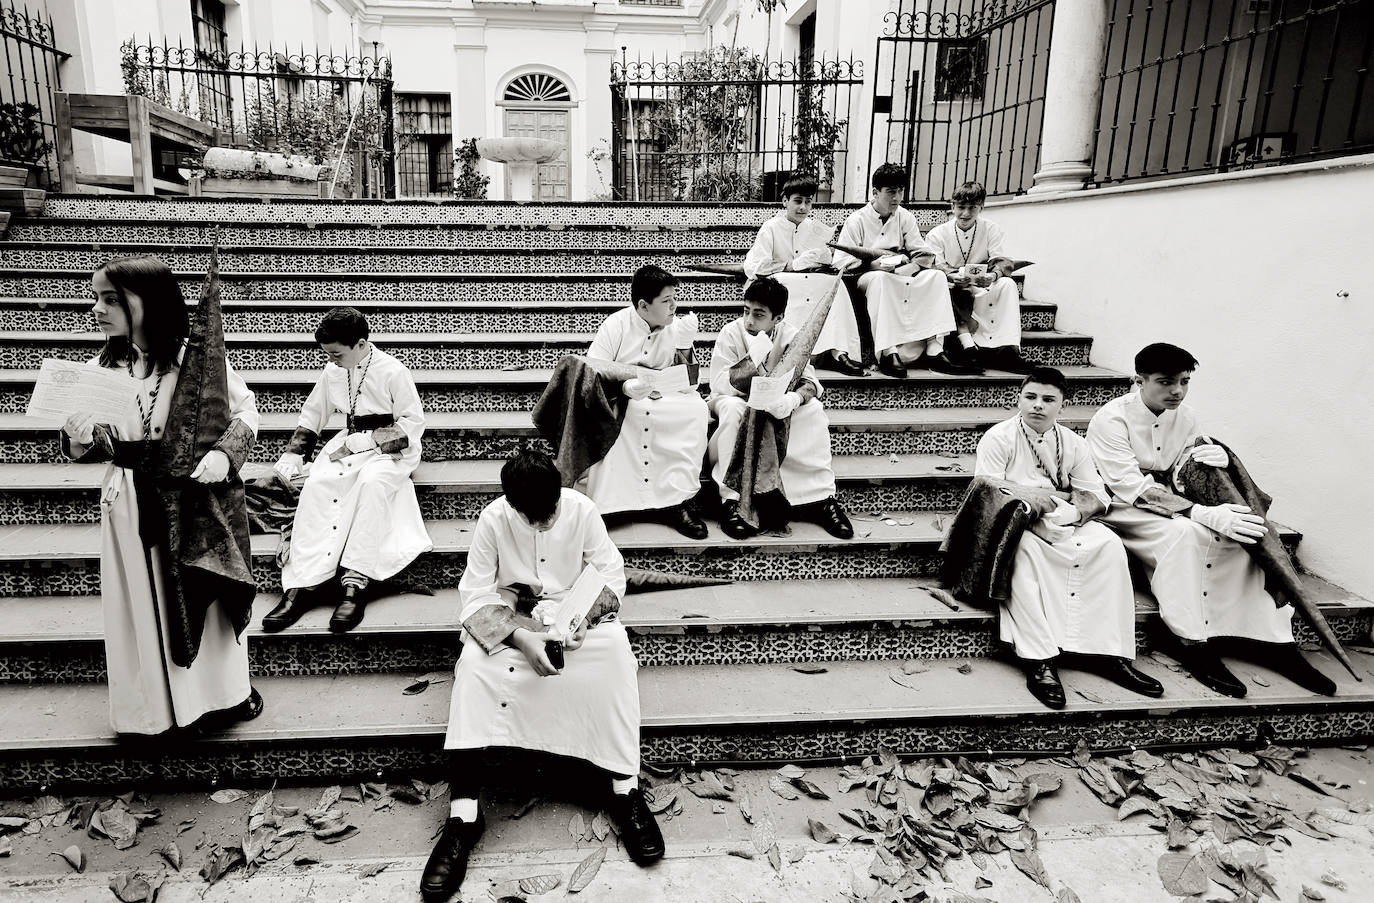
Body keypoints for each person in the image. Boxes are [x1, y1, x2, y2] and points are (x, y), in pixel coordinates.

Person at [422, 451, 663, 902]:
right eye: (531, 517)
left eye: (549, 512)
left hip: (577, 621)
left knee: (615, 659)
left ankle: (624, 789)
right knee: (473, 668)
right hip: (514, 625)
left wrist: (584, 618)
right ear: (512, 505)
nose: (542, 524)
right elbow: (474, 595)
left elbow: (611, 573)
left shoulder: (582, 510)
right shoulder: (493, 519)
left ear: (560, 493)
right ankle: (465, 814)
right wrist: (519, 636)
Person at [61, 255, 261, 735]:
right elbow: (87, 449)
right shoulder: (101, 368)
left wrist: (222, 457)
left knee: (204, 599)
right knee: (142, 604)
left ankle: (221, 696)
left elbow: (245, 411)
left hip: (191, 501)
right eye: (95, 298)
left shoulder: (196, 361)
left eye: (111, 299)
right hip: (131, 501)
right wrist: (78, 438)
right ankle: (153, 710)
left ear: (148, 301)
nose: (97, 309)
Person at [1087, 343, 1335, 697]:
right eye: (1166, 382)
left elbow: (1183, 468)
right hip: (1123, 507)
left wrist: (1217, 458)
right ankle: (1189, 638)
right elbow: (1128, 485)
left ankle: (1270, 639)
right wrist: (1201, 512)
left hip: (1177, 501)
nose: (1177, 391)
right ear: (1138, 380)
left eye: (1185, 381)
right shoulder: (1110, 419)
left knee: (1241, 533)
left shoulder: (1186, 415)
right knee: (1187, 534)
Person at [975, 367, 1163, 708]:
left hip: (1064, 518)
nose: (1037, 406)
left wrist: (1074, 513)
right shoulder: (999, 437)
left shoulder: (1073, 443)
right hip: (1012, 523)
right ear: (1020, 397)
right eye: (1030, 397)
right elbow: (989, 492)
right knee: (1027, 553)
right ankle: (1039, 659)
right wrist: (1040, 506)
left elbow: (1095, 492)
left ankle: (1108, 653)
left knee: (1108, 546)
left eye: (1048, 400)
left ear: (1062, 405)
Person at [264, 307, 432, 633]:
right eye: (327, 354)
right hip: (349, 443)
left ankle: (354, 584)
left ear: (360, 343)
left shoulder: (393, 371)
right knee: (317, 485)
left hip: (391, 449)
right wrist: (295, 454)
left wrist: (372, 441)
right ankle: (302, 584)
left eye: (337, 353)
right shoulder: (333, 371)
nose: (331, 359)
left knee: (370, 483)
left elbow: (413, 423)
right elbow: (314, 413)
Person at [707, 276, 854, 540]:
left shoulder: (791, 335)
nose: (749, 320)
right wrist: (752, 362)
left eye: (759, 314)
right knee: (734, 411)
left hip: (777, 401)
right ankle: (732, 501)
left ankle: (819, 497)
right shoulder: (731, 333)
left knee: (813, 411)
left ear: (778, 317)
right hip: (735, 397)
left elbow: (810, 381)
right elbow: (718, 383)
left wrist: (792, 400)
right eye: (746, 311)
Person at [583, 264, 710, 539]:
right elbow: (591, 372)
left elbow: (690, 383)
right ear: (643, 305)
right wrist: (625, 386)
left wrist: (686, 345)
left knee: (697, 410)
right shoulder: (615, 325)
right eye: (666, 301)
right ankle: (610, 505)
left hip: (666, 398)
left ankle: (677, 501)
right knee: (629, 415)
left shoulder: (676, 327)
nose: (674, 306)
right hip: (624, 398)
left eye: (674, 298)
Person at [831, 163, 980, 379]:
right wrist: (873, 265)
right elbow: (841, 262)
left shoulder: (904, 216)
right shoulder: (857, 220)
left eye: (900, 191)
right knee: (882, 280)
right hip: (868, 275)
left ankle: (934, 348)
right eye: (891, 192)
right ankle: (888, 351)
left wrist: (911, 266)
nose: (897, 197)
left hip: (900, 271)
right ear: (875, 192)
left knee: (935, 276)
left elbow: (924, 252)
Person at [743, 173, 864, 376]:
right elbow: (755, 266)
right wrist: (791, 265)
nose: (803, 208)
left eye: (808, 202)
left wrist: (820, 260)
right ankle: (787, 352)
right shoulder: (771, 228)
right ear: (785, 201)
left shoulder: (813, 228)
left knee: (836, 286)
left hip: (810, 278)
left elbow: (827, 261)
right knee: (785, 284)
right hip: (781, 278)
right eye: (798, 201)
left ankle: (837, 351)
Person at [923, 181, 1037, 374]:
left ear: (981, 207)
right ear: (952, 207)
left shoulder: (991, 229)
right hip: (951, 283)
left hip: (981, 281)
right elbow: (935, 264)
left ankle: (1008, 349)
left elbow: (998, 259)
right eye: (961, 207)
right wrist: (952, 277)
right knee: (942, 283)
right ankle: (969, 347)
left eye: (972, 208)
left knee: (1007, 284)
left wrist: (993, 275)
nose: (966, 214)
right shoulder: (938, 234)